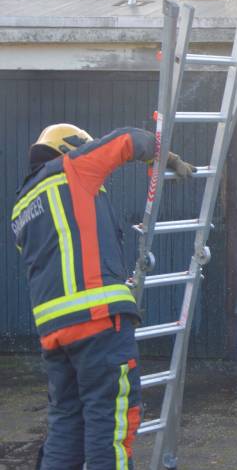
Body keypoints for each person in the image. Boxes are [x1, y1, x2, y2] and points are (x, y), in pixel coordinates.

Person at [12, 124, 195, 470]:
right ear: (70, 149)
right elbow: (129, 140)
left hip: (54, 333)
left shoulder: (21, 207)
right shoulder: (72, 169)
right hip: (97, 321)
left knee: (67, 422)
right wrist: (165, 155)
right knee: (110, 424)